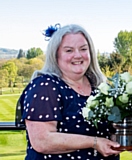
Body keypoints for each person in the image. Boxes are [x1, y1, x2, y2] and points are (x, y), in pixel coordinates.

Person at [15, 24, 120, 159]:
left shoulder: (99, 87)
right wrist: (94, 142)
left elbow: (108, 134)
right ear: (56, 55)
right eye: (69, 50)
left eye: (83, 49)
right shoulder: (45, 86)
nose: (77, 55)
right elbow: (42, 141)